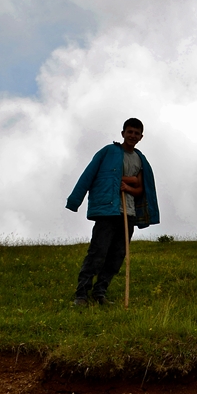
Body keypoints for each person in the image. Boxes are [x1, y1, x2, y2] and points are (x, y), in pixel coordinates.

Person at [66, 118, 160, 306]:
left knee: (117, 254)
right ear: (123, 133)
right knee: (98, 252)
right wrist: (75, 200)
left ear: (141, 137)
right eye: (130, 132)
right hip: (107, 210)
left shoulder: (140, 159)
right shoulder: (108, 152)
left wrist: (129, 186)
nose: (133, 135)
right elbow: (90, 174)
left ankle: (100, 293)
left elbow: (142, 188)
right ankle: (81, 294)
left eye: (136, 133)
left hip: (129, 212)